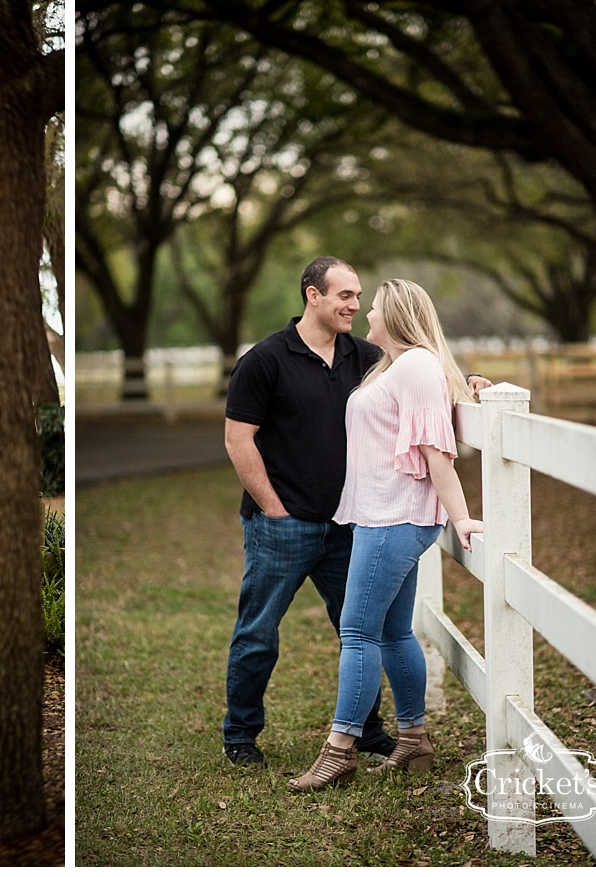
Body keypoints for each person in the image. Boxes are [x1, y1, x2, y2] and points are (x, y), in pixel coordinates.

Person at [222, 257, 488, 769]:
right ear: (312, 296)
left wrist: (473, 380)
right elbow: (238, 440)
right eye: (345, 295)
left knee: (365, 629)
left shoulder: (366, 356)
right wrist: (275, 511)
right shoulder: (265, 360)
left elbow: (426, 367)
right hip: (285, 524)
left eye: (361, 296)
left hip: (354, 524)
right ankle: (240, 734)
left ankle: (366, 736)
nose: (356, 305)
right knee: (259, 631)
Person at [288, 278, 484, 791]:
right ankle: (414, 740)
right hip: (381, 514)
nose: (366, 314)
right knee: (394, 632)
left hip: (395, 517)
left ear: (393, 316)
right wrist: (472, 381)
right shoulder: (393, 366)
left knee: (357, 631)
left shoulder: (415, 365)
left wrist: (460, 516)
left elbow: (434, 450)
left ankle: (338, 751)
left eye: (372, 307)